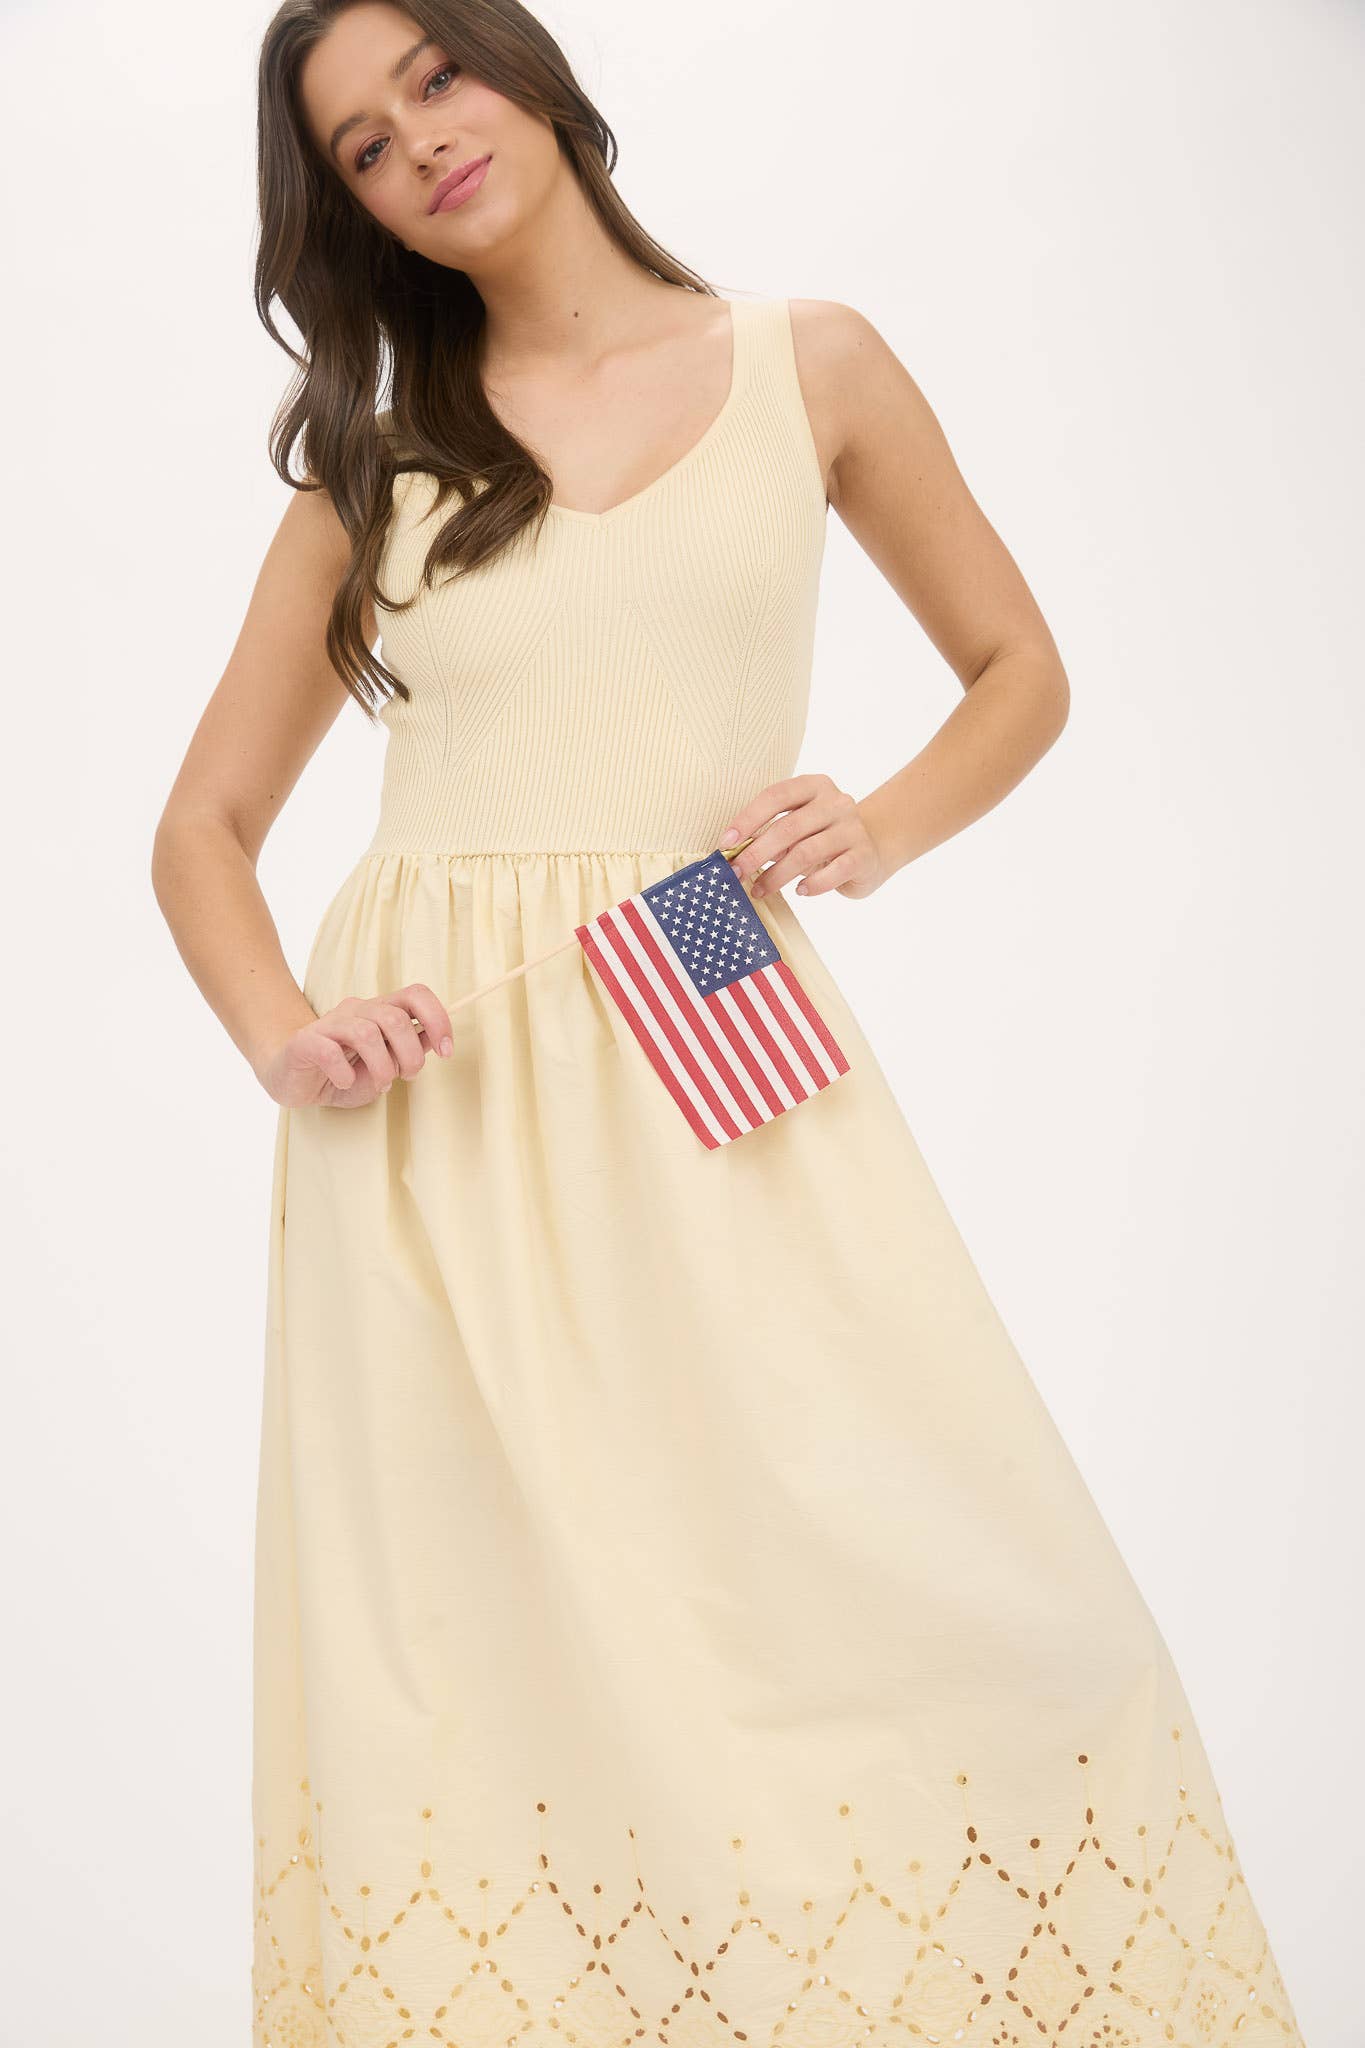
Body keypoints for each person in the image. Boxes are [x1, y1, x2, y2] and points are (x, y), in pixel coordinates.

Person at [150, 3, 1306, 2042]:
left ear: (522, 70)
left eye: (434, 79)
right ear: (356, 218)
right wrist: (284, 1036)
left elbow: (1016, 667)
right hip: (436, 1103)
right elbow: (204, 830)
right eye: (359, 150)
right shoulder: (375, 457)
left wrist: (879, 820)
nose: (418, 144)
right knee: (480, 1648)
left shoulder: (808, 363)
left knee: (918, 1556)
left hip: (704, 997)